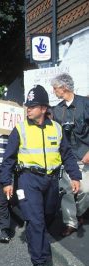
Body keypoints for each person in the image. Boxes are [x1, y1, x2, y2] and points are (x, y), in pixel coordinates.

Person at [0, 85, 81, 266]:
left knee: (47, 216)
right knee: (36, 220)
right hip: (28, 180)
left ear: (43, 108)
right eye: (27, 106)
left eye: (32, 106)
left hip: (51, 180)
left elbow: (68, 155)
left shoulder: (57, 128)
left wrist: (75, 176)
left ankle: (34, 237)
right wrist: (6, 182)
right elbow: (8, 159)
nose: (28, 109)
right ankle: (40, 261)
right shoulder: (20, 129)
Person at [50, 73, 89, 237]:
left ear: (63, 88)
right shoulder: (57, 110)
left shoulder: (85, 104)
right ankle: (71, 222)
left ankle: (79, 213)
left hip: (84, 156)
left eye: (55, 88)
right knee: (67, 191)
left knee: (85, 190)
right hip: (66, 158)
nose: (53, 92)